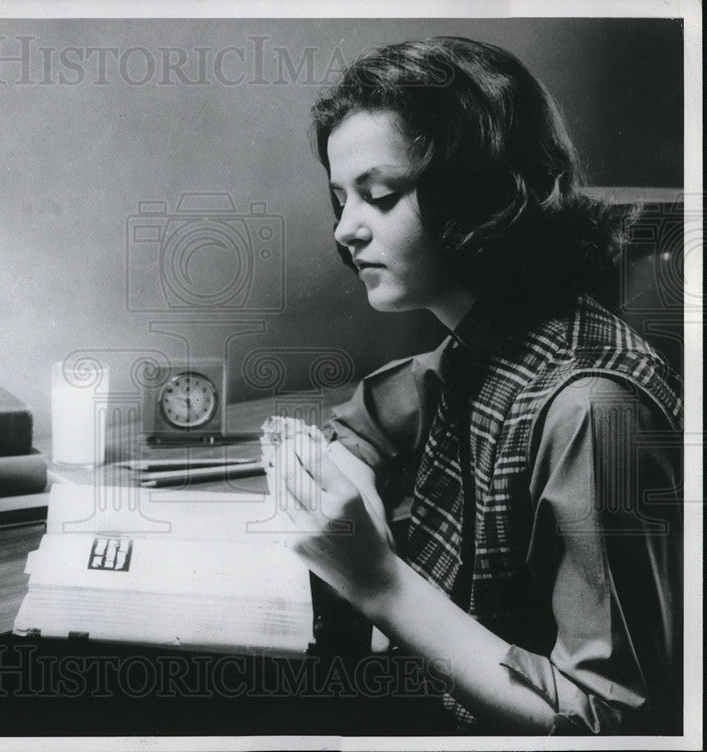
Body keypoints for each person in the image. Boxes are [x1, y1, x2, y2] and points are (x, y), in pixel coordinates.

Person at [270, 37, 683, 734]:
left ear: (480, 192)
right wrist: (344, 468)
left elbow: (606, 723)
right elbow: (369, 415)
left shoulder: (592, 407)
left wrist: (377, 580)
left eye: (380, 195)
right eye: (341, 199)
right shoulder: (488, 342)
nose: (346, 231)